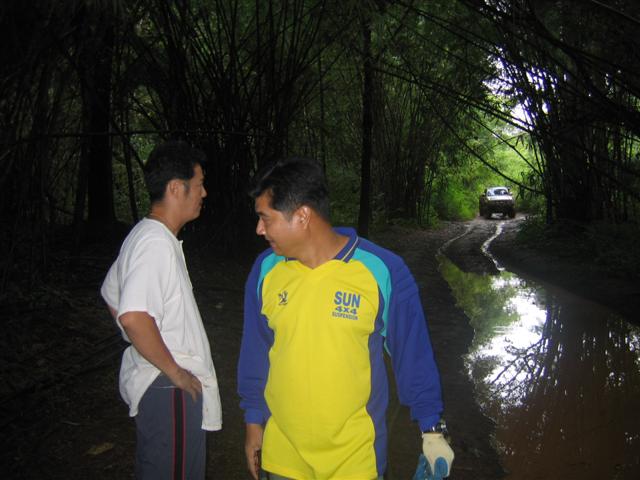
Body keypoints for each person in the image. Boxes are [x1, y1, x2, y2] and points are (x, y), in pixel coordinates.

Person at [237, 157, 454, 480]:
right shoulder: (265, 270)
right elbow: (256, 352)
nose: (259, 229)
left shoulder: (381, 270)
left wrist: (432, 430)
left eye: (265, 218)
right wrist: (253, 420)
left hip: (355, 462)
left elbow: (413, 355)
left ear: (303, 216)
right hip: (283, 457)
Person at [101, 140, 222, 479]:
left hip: (161, 388)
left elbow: (111, 293)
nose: (204, 193)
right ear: (176, 188)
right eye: (199, 184)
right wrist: (174, 370)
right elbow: (133, 316)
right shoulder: (155, 243)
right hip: (170, 392)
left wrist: (145, 346)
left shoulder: (145, 235)